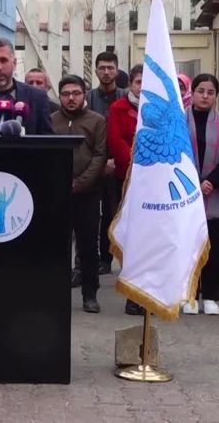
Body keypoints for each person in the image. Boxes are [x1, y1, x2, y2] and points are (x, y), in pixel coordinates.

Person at [51, 76, 107, 314]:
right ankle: (55, 295)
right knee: (56, 246)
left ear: (85, 95)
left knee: (87, 247)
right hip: (56, 194)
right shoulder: (50, 120)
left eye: (76, 93)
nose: (71, 98)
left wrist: (81, 183)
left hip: (87, 194)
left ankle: (90, 294)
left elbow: (100, 156)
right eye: (66, 94)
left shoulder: (97, 121)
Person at [182, 74, 219, 315]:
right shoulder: (179, 121)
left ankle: (211, 296)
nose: (205, 96)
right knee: (187, 247)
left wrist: (211, 181)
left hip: (214, 193)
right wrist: (194, 182)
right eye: (201, 90)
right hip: (184, 192)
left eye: (210, 92)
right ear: (192, 93)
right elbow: (176, 155)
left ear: (216, 95)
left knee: (212, 247)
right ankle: (189, 294)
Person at [106, 63, 144, 316]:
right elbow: (115, 140)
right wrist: (137, 164)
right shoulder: (118, 108)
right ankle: (132, 294)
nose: (143, 86)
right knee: (131, 238)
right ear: (130, 84)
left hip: (154, 188)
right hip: (127, 180)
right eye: (139, 81)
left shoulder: (162, 110)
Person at [88, 52, 122, 276]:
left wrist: (115, 161)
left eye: (110, 68)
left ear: (117, 70)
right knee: (91, 215)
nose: (106, 72)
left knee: (114, 213)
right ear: (96, 70)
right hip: (92, 167)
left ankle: (111, 257)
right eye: (102, 68)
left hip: (119, 167)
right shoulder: (88, 98)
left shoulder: (126, 97)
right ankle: (91, 261)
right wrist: (99, 164)